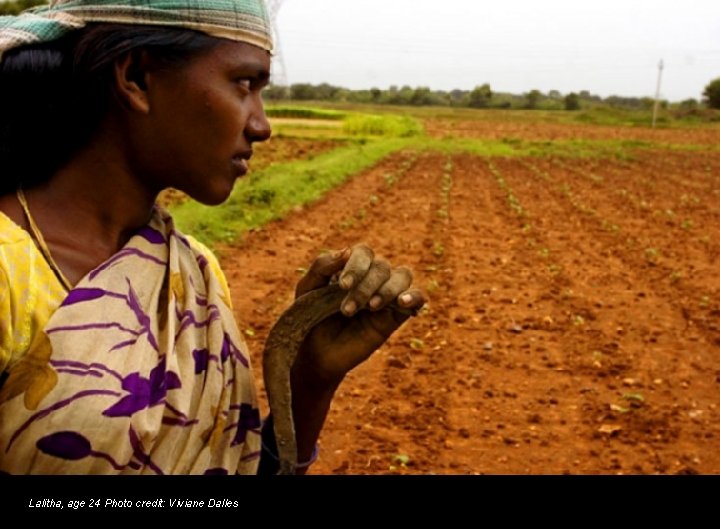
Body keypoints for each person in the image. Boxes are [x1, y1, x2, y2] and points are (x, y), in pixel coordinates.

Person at [0, 0, 425, 475]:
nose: (261, 125)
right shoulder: (7, 276)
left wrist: (308, 381)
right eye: (244, 84)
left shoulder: (195, 272)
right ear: (137, 78)